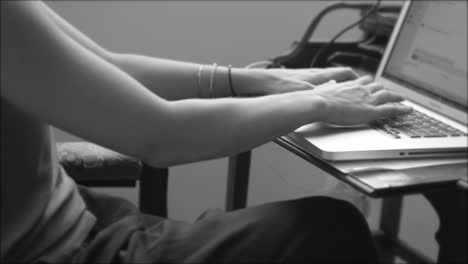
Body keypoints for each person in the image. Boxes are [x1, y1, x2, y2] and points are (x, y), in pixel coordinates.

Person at [1, 1, 413, 263]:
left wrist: (251, 82)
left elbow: (108, 68)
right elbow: (160, 136)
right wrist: (319, 104)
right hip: (62, 250)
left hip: (76, 214)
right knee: (330, 228)